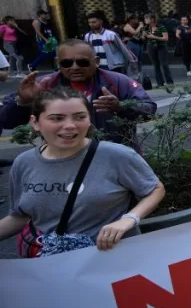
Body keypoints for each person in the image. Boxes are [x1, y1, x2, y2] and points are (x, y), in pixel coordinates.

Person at [0, 87, 164, 254]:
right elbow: (19, 216)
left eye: (80, 117)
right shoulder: (24, 163)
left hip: (111, 259)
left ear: (89, 119)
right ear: (35, 122)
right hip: (48, 266)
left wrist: (129, 219)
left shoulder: (117, 155)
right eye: (57, 118)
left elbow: (155, 189)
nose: (70, 126)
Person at [0, 40, 156, 145]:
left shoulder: (117, 81)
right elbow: (6, 121)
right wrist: (22, 101)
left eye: (82, 62)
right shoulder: (43, 84)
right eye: (67, 63)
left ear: (95, 61)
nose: (74, 67)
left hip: (115, 155)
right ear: (57, 63)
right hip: (62, 158)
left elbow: (149, 109)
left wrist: (121, 107)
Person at [141, 14, 173, 87]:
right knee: (156, 65)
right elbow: (143, 38)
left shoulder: (161, 27)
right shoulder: (146, 28)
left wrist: (154, 37)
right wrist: (143, 32)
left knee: (164, 64)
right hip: (150, 47)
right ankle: (160, 83)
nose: (145, 20)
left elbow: (166, 38)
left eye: (146, 18)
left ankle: (169, 82)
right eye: (144, 18)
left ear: (152, 19)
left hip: (161, 46)